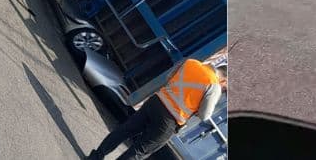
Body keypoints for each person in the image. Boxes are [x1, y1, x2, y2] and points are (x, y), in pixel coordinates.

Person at [87, 59, 228, 160]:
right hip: (170, 120)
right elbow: (204, 115)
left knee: (124, 130)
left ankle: (96, 156)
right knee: (139, 150)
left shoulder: (191, 62)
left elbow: (168, 77)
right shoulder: (214, 86)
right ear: (224, 81)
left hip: (155, 102)